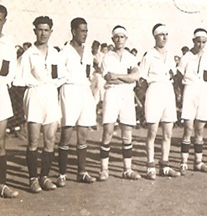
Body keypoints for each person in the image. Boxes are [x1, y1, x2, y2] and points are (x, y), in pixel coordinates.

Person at [14, 16, 63, 193]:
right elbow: (19, 80)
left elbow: (59, 77)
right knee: (33, 141)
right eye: (40, 29)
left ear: (51, 31)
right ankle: (32, 179)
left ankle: (45, 177)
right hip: (34, 95)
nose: (43, 33)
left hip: (50, 95)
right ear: (35, 31)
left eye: (46, 30)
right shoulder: (28, 55)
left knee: (50, 139)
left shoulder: (56, 54)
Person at [56, 18, 97, 188]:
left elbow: (89, 74)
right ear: (73, 31)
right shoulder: (64, 52)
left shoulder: (88, 52)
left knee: (84, 133)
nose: (85, 34)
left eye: (86, 31)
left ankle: (81, 172)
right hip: (69, 90)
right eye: (82, 31)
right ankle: (62, 173)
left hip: (84, 92)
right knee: (66, 133)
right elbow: (57, 76)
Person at [98, 25, 141, 181]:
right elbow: (109, 78)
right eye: (117, 37)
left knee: (127, 133)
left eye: (122, 37)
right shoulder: (107, 57)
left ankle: (127, 169)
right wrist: (126, 77)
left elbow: (136, 76)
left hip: (127, 95)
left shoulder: (130, 57)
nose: (119, 39)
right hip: (112, 93)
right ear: (112, 39)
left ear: (126, 39)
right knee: (108, 131)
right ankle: (104, 169)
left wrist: (118, 75)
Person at [139, 23, 181, 179]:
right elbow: (142, 79)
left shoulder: (170, 55)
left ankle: (164, 165)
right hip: (154, 92)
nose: (164, 37)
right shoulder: (148, 55)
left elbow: (173, 75)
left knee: (168, 133)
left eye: (166, 34)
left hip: (168, 93)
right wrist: (144, 98)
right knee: (152, 132)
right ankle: (150, 166)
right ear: (155, 37)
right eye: (161, 34)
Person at [176, 28, 207, 174]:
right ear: (193, 41)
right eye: (198, 41)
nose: (201, 45)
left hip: (203, 93)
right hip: (189, 91)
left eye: (203, 42)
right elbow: (179, 78)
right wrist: (182, 92)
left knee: (200, 130)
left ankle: (198, 162)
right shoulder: (186, 57)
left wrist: (205, 84)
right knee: (188, 129)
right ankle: (183, 162)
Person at [0, 5, 19, 198]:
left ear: (4, 20)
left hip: (0, 93)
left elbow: (7, 72)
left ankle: (2, 185)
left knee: (0, 142)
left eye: (0, 19)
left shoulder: (8, 43)